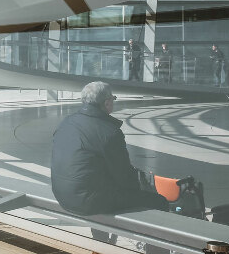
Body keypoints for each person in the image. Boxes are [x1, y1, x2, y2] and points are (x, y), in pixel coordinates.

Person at [51, 82, 169, 216]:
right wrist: (143, 190)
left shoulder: (66, 122)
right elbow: (124, 176)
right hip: (87, 202)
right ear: (107, 103)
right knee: (159, 201)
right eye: (113, 99)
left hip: (62, 195)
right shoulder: (109, 133)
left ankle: (99, 234)